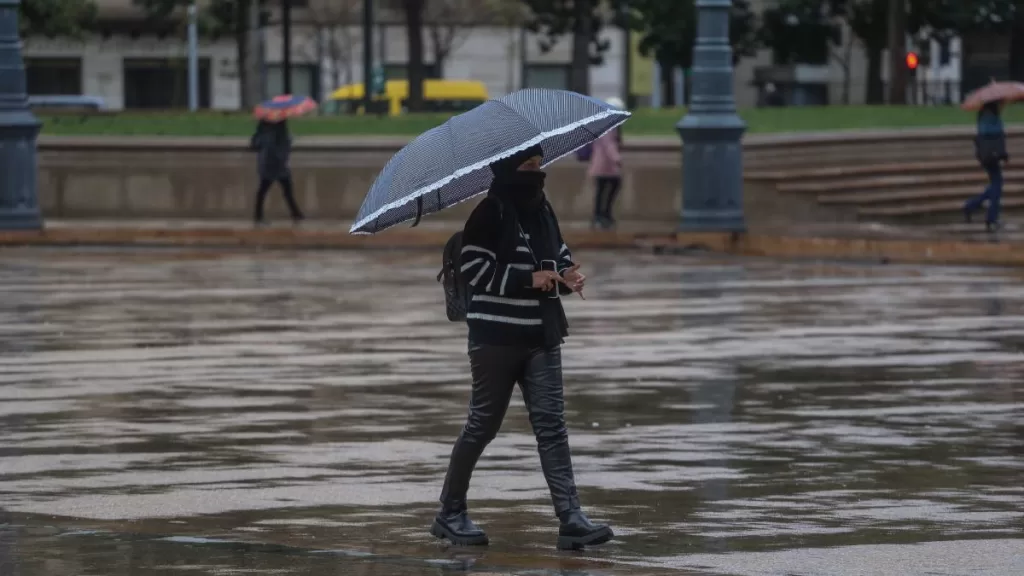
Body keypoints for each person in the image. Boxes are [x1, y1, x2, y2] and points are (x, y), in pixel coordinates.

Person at [431, 145, 614, 551]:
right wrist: (527, 279)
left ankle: (571, 517)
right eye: (527, 165)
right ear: (507, 168)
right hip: (495, 338)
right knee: (483, 424)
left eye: (538, 164)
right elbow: (474, 268)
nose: (535, 172)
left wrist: (566, 275)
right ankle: (450, 511)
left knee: (552, 426)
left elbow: (557, 253)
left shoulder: (543, 210)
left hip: (542, 335)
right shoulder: (489, 212)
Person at [964, 100, 1009, 232]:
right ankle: (991, 218)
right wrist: (1002, 154)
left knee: (996, 185)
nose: (1003, 105)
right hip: (991, 156)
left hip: (988, 156)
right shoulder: (991, 118)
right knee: (997, 185)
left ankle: (971, 206)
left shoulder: (986, 115)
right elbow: (995, 139)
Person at [251, 119, 304, 225]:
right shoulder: (279, 129)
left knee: (264, 191)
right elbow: (283, 146)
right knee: (286, 190)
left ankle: (259, 216)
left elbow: (255, 144)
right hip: (276, 165)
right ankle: (296, 214)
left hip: (268, 164)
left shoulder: (263, 129)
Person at [589, 97, 624, 229]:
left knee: (602, 189)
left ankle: (602, 215)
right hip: (604, 164)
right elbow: (609, 144)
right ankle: (601, 215)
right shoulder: (608, 125)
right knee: (607, 187)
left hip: (604, 164)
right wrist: (617, 158)